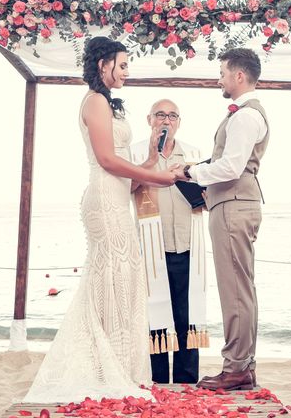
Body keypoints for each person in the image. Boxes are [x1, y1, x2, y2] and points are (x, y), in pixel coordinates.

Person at [24, 37, 178, 403]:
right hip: (104, 201)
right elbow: (108, 161)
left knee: (121, 278)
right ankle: (103, 367)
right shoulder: (94, 101)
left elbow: (129, 174)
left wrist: (158, 156)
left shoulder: (107, 103)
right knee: (113, 277)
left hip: (116, 197)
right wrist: (161, 178)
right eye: (122, 65)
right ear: (103, 64)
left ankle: (116, 365)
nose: (126, 72)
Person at [174, 48, 268, 391]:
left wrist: (189, 170)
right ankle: (243, 364)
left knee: (235, 291)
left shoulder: (244, 116)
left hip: (233, 205)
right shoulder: (245, 114)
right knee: (241, 288)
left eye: (223, 73)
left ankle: (237, 367)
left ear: (238, 76)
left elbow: (230, 167)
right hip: (234, 203)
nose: (220, 80)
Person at [130, 99, 207, 384]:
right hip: (150, 249)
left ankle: (186, 383)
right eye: (160, 115)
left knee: (188, 316)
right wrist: (150, 163)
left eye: (172, 115)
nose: (166, 120)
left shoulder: (194, 154)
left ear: (179, 121)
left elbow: (207, 195)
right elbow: (127, 188)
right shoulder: (135, 153)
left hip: (188, 244)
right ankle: (158, 380)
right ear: (149, 119)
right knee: (154, 317)